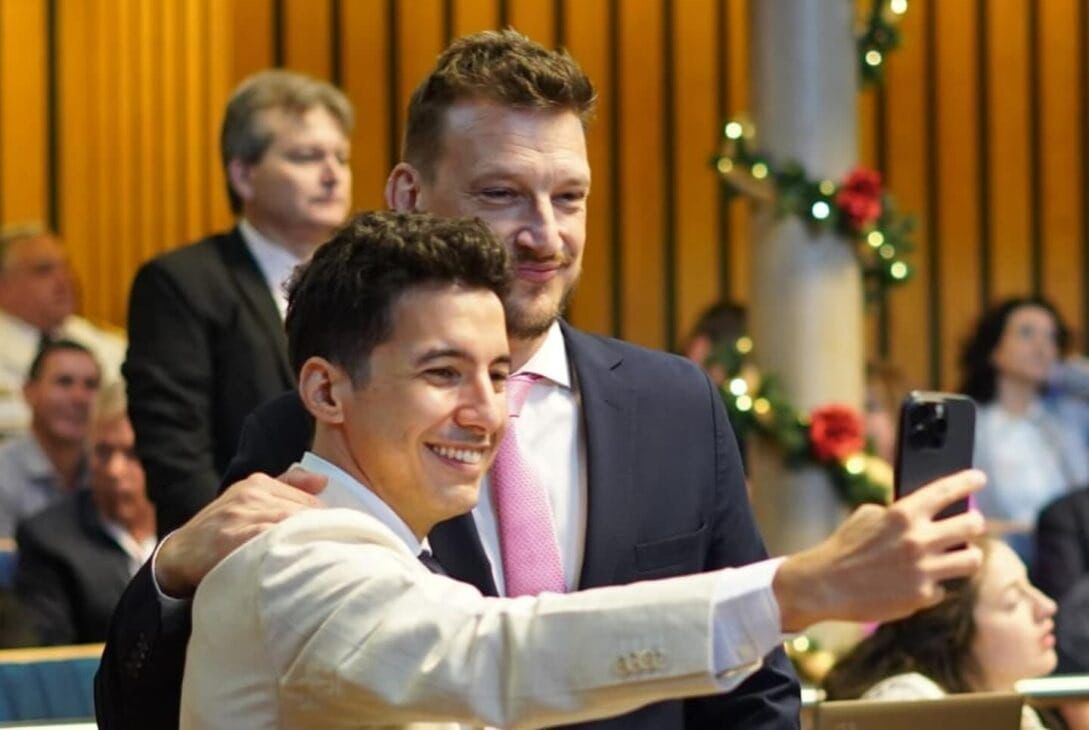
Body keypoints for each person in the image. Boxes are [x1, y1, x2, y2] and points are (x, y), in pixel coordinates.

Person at [97, 30, 985, 730]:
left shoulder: (674, 404)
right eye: (499, 195)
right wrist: (803, 588)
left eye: (568, 197)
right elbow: (490, 654)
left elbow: (752, 697)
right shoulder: (298, 518)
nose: (544, 236)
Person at [180, 210, 986, 728]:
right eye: (442, 373)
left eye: (498, 374)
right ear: (326, 391)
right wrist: (799, 590)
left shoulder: (387, 552)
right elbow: (491, 653)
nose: (487, 413)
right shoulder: (295, 555)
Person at [123, 69, 354, 535]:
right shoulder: (182, 284)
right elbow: (177, 459)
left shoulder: (370, 282)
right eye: (307, 157)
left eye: (341, 157)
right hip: (240, 549)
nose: (333, 175)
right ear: (244, 175)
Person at [822, 538, 1057, 730]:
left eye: (1030, 585)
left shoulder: (1015, 710)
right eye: (1012, 602)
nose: (1047, 606)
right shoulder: (908, 705)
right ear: (953, 632)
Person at [14, 381, 156, 645]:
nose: (114, 470)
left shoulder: (193, 525)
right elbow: (50, 655)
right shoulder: (49, 539)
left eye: (132, 454)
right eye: (103, 452)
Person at [959, 297, 1089, 562]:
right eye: (1027, 333)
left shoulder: (1072, 419)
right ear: (994, 349)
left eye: (1051, 337)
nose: (1043, 347)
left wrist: (1068, 371)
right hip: (997, 557)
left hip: (1072, 559)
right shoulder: (971, 424)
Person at [0, 224, 124, 438]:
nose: (64, 280)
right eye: (43, 271)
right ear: (3, 286)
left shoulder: (108, 344)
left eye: (65, 267)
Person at [0, 340, 100, 538]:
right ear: (29, 392)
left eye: (90, 385)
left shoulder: (109, 474)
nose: (79, 398)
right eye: (64, 382)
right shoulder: (3, 476)